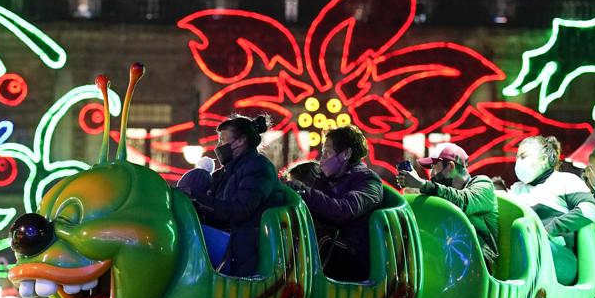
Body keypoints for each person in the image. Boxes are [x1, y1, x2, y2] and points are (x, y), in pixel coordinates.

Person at [187, 114, 286, 277]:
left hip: (244, 244)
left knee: (186, 239)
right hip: (231, 238)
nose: (217, 146)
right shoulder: (226, 172)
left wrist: (197, 199)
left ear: (240, 141)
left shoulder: (258, 167)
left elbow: (239, 210)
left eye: (222, 140)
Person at [287, 126, 383, 281]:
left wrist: (303, 192)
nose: (321, 158)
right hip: (331, 243)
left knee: (314, 240)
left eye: (327, 153)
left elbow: (342, 210)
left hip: (352, 252)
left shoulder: (367, 181)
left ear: (346, 154)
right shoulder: (325, 179)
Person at [509, 135, 595, 285]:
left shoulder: (566, 181)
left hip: (560, 257)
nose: (518, 163)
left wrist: (549, 230)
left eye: (523, 156)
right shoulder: (516, 189)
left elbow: (590, 210)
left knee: (527, 247)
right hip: (523, 255)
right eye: (517, 157)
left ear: (544, 159)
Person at [397, 143, 499, 274]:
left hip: (480, 263)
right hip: (445, 259)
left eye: (434, 167)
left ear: (450, 166)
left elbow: (462, 202)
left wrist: (422, 184)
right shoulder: (441, 195)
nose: (431, 174)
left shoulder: (483, 184)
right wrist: (415, 191)